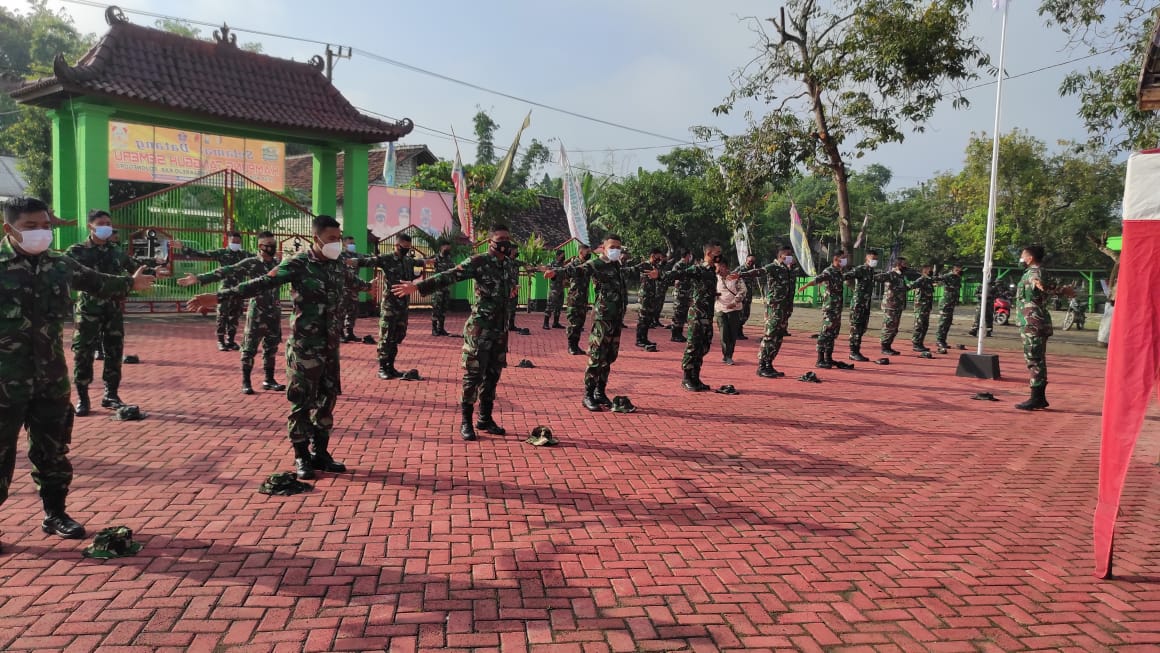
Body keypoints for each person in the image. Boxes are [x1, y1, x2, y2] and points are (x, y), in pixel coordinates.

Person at [1, 196, 155, 547]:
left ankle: (55, 514)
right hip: (4, 382)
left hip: (51, 379)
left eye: (45, 226)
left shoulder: (60, 264)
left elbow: (98, 281)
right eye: (30, 227)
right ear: (9, 228)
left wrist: (131, 283)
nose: (41, 233)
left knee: (53, 452)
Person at [187, 216, 351, 480]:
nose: (337, 244)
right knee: (301, 404)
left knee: (327, 401)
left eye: (339, 238)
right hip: (304, 349)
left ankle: (321, 453)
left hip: (330, 348)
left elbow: (352, 281)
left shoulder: (338, 264)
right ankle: (301, 456)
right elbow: (261, 283)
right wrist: (220, 296)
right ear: (316, 238)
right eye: (332, 239)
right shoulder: (298, 264)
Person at [391, 224, 520, 441]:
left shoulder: (508, 264)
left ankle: (485, 418)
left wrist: (512, 290)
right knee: (473, 376)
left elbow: (508, 287)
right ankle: (466, 422)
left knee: (493, 376)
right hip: (480, 329)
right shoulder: (479, 262)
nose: (506, 242)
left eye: (508, 238)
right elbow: (450, 275)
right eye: (501, 238)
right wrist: (418, 287)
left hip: (500, 330)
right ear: (491, 241)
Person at [547, 234, 656, 411]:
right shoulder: (597, 264)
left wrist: (644, 266)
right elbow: (578, 270)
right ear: (604, 248)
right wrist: (556, 273)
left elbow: (630, 272)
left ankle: (600, 392)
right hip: (602, 319)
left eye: (618, 247)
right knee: (597, 357)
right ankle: (588, 395)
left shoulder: (616, 266)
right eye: (612, 247)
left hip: (615, 319)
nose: (616, 250)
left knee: (609, 357)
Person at [65, 210, 156, 416]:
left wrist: (153, 268)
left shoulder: (116, 251)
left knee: (114, 352)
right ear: (90, 226)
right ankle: (83, 397)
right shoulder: (77, 251)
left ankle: (111, 394)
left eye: (109, 223)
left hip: (113, 310)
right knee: (83, 353)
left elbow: (136, 268)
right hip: (88, 310)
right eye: (101, 223)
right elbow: (66, 274)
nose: (106, 226)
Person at [178, 231, 286, 395]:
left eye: (273, 244)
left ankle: (269, 380)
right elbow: (227, 270)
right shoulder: (251, 262)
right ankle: (246, 382)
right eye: (268, 244)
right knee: (249, 348)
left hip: (274, 312)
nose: (272, 247)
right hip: (257, 311)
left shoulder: (278, 264)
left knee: (271, 347)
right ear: (260, 246)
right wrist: (200, 278)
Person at [353, 233, 424, 380]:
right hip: (390, 305)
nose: (407, 250)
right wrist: (348, 261)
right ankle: (382, 368)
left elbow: (417, 267)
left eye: (409, 247)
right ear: (397, 245)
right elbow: (366, 261)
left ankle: (391, 367)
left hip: (403, 305)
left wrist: (427, 264)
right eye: (404, 247)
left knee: (397, 336)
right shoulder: (386, 259)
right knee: (386, 337)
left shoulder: (408, 261)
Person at [672, 242, 736, 391]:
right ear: (709, 253)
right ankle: (687, 378)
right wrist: (660, 275)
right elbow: (679, 274)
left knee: (703, 346)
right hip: (697, 314)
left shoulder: (712, 270)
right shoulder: (698, 269)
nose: (720, 255)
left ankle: (696, 377)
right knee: (693, 346)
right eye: (717, 252)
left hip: (707, 314)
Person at [1013, 245, 1071, 410]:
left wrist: (1040, 285)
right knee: (1037, 359)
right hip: (1035, 321)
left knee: (1034, 359)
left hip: (1032, 322)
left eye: (1023, 256)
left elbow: (1040, 284)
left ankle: (1036, 398)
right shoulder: (1039, 271)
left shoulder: (1034, 273)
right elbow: (1056, 289)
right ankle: (1039, 397)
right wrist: (1063, 290)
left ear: (1030, 258)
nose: (1021, 258)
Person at [175, 231, 251, 351]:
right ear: (229, 241)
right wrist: (184, 248)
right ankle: (221, 341)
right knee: (222, 315)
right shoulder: (222, 253)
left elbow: (260, 258)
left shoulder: (245, 254)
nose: (236, 244)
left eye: (238, 242)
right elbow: (203, 254)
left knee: (235, 315)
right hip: (225, 287)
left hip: (238, 289)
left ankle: (230, 341)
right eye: (233, 242)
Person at [797, 251, 853, 370]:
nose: (845, 260)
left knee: (832, 333)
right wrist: (805, 286)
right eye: (843, 258)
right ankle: (820, 359)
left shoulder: (839, 272)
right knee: (825, 332)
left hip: (837, 308)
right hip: (830, 307)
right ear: (836, 259)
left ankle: (828, 358)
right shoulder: (829, 271)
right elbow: (818, 279)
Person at [748, 245, 795, 378]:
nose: (791, 257)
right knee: (770, 336)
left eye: (791, 254)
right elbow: (758, 272)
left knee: (779, 337)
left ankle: (769, 363)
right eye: (788, 254)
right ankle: (762, 365)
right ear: (781, 256)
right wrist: (741, 274)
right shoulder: (772, 267)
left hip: (785, 310)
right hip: (774, 308)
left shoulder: (789, 270)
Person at [843, 250, 881, 362]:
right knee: (856, 327)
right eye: (873, 258)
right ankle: (853, 352)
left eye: (876, 259)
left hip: (866, 303)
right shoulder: (861, 269)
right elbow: (847, 276)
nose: (875, 261)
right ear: (867, 258)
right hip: (858, 303)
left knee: (862, 328)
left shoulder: (871, 271)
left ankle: (856, 350)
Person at [338, 236, 370, 343]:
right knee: (341, 310)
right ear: (344, 244)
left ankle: (350, 332)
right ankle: (340, 333)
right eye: (350, 243)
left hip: (354, 288)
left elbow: (368, 259)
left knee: (353, 310)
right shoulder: (340, 256)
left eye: (353, 243)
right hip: (343, 288)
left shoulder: (357, 256)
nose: (352, 245)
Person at [563, 244, 594, 355]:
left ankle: (576, 346)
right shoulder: (572, 264)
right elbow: (564, 278)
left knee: (580, 323)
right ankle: (571, 346)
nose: (589, 254)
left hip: (583, 298)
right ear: (581, 252)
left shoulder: (588, 265)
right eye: (587, 251)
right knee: (573, 323)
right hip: (574, 299)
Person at [635, 248, 668, 349]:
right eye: (658, 257)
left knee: (648, 318)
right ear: (653, 255)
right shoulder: (644, 265)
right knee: (643, 318)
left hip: (652, 295)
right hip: (644, 295)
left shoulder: (655, 266)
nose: (659, 259)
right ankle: (639, 340)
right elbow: (633, 271)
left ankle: (644, 338)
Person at [715, 261, 747, 365]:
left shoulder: (735, 277)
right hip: (720, 308)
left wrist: (734, 302)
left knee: (732, 333)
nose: (718, 270)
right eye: (716, 267)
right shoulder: (715, 278)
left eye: (719, 267)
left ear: (725, 267)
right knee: (724, 333)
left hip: (734, 309)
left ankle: (729, 354)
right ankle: (726, 355)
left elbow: (743, 290)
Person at [878, 257, 909, 356]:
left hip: (897, 305)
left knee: (894, 328)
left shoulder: (900, 276)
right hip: (890, 305)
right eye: (904, 264)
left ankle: (888, 346)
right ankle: (884, 347)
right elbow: (879, 277)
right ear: (898, 264)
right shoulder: (892, 274)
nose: (906, 266)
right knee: (888, 326)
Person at [934, 264, 964, 353]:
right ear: (954, 269)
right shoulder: (948, 276)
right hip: (945, 303)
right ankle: (939, 340)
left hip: (952, 303)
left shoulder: (958, 278)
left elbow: (957, 290)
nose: (960, 271)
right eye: (958, 270)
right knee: (943, 322)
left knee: (948, 322)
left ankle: (943, 340)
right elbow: (937, 279)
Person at [909, 263, 936, 352]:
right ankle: (916, 343)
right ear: (925, 270)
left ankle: (920, 343)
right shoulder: (921, 280)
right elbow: (911, 285)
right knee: (919, 325)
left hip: (927, 307)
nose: (931, 271)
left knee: (925, 325)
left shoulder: (928, 280)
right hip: (920, 307)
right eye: (930, 269)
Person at [669, 250, 694, 343]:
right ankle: (674, 335)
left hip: (686, 294)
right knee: (678, 314)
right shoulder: (678, 265)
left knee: (683, 314)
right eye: (690, 255)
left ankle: (679, 334)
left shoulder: (687, 265)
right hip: (680, 293)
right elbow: (674, 277)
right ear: (687, 255)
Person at [734, 254, 759, 340]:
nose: (751, 263)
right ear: (746, 260)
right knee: (740, 314)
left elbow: (754, 283)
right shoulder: (740, 269)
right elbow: (732, 279)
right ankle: (737, 332)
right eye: (749, 261)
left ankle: (738, 331)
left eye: (752, 262)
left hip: (748, 297)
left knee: (746, 315)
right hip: (741, 297)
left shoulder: (753, 271)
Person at [542, 249, 566, 331]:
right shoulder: (552, 264)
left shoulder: (563, 264)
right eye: (562, 255)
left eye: (564, 255)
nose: (563, 257)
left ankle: (556, 323)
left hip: (561, 288)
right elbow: (547, 272)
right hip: (554, 288)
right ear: (558, 256)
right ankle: (545, 323)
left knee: (559, 306)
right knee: (550, 305)